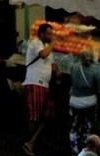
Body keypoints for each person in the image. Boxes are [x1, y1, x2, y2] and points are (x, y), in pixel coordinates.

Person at [69, 49, 100, 154]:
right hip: (89, 104)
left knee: (75, 127)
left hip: (75, 102)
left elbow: (73, 82)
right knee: (87, 128)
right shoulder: (94, 72)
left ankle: (74, 149)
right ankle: (86, 150)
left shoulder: (73, 67)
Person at [23, 22, 57, 156]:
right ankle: (31, 143)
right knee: (35, 116)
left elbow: (52, 63)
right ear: (42, 33)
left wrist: (58, 71)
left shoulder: (48, 47)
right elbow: (43, 55)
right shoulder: (36, 42)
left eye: (52, 34)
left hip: (44, 85)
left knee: (48, 115)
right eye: (49, 34)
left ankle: (33, 141)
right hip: (35, 83)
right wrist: (53, 44)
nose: (51, 36)